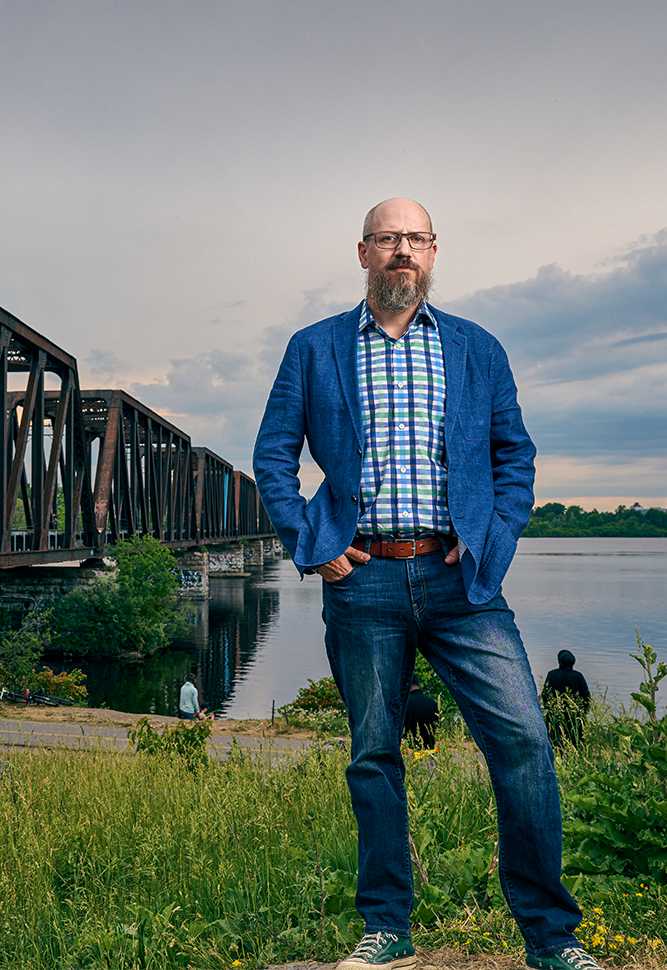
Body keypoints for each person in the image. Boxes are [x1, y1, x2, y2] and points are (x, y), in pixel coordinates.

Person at [253, 199, 593, 970]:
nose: (401, 250)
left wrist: (493, 545)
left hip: (460, 580)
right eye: (386, 239)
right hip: (362, 577)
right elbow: (273, 455)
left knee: (524, 742)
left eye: (415, 238)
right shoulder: (314, 348)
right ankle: (387, 928)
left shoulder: (477, 348)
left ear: (433, 251)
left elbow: (515, 456)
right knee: (374, 751)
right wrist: (312, 547)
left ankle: (550, 937)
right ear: (363, 252)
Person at [541, 650, 591, 747]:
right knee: (574, 744)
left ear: (559, 661)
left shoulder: (552, 674)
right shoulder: (578, 676)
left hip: (555, 716)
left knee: (554, 743)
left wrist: (549, 709)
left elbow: (545, 695)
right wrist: (583, 713)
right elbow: (586, 697)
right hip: (574, 718)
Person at [402, 677, 439, 751]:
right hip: (429, 752)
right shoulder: (432, 702)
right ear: (418, 684)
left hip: (410, 753)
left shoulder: (403, 704)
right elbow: (437, 726)